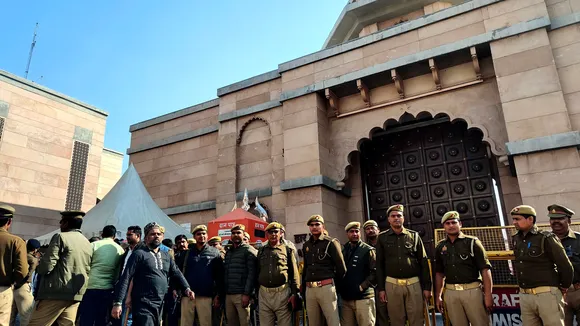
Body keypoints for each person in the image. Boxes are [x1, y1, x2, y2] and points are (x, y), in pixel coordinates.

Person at [111, 222, 194, 325]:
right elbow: (126, 277)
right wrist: (118, 302)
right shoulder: (139, 254)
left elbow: (176, 272)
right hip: (143, 303)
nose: (156, 236)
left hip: (160, 302)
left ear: (162, 236)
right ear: (146, 238)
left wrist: (186, 288)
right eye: (152, 234)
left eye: (158, 234)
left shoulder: (166, 256)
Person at [511, 204, 573, 326]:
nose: (514, 222)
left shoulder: (545, 238)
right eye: (513, 219)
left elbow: (565, 266)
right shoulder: (516, 239)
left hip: (546, 294)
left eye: (517, 219)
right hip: (525, 295)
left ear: (530, 219)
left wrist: (563, 287)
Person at [28, 211, 93, 326]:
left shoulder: (60, 237)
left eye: (61, 222)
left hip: (55, 291)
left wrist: (39, 268)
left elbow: (47, 266)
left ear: (66, 223)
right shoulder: (86, 242)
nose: (60, 225)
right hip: (76, 293)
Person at [376, 204, 432, 326]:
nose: (396, 218)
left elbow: (423, 262)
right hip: (392, 285)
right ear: (389, 219)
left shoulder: (414, 236)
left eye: (399, 215)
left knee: (417, 319)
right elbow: (379, 265)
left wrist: (427, 287)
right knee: (396, 320)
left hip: (413, 284)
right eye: (393, 216)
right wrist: (381, 289)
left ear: (403, 218)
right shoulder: (382, 238)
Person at [434, 211, 493, 326]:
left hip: (472, 291)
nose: (451, 225)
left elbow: (485, 270)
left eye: (454, 222)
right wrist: (438, 296)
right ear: (444, 227)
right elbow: (439, 274)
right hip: (451, 293)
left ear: (460, 224)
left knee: (481, 323)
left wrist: (488, 295)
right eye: (447, 223)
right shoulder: (440, 247)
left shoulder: (472, 242)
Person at [302, 214, 346, 326]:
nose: (314, 227)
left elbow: (341, 269)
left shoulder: (331, 242)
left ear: (323, 226)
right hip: (310, 289)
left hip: (326, 287)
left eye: (317, 224)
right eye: (311, 225)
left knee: (333, 322)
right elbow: (306, 268)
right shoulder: (306, 245)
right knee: (313, 323)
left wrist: (333, 284)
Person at [178, 225, 224, 326]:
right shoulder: (186, 253)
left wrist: (218, 295)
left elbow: (219, 276)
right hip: (187, 295)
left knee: (205, 323)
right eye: (198, 234)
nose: (201, 236)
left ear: (207, 236)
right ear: (194, 237)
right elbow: (178, 273)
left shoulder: (215, 252)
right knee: (185, 323)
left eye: (204, 234)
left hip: (205, 295)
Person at [79, 225, 125, 326]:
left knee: (86, 317)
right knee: (101, 318)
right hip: (107, 289)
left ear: (102, 234)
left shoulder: (93, 245)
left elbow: (85, 265)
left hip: (89, 287)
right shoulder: (120, 250)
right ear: (114, 236)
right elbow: (118, 273)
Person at [256, 222, 300, 326]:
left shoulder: (288, 250)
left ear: (281, 233)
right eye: (271, 232)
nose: (273, 234)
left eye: (276, 232)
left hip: (282, 293)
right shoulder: (261, 250)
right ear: (267, 234)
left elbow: (294, 273)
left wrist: (295, 293)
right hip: (264, 294)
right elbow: (257, 271)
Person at [548, 204, 580, 326]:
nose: (556, 222)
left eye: (560, 218)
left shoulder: (579, 239)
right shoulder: (544, 241)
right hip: (556, 294)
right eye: (552, 219)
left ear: (569, 220)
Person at [339, 222, 376, 326]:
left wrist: (362, 287)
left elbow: (375, 273)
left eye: (357, 231)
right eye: (352, 232)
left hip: (364, 298)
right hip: (346, 299)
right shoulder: (343, 249)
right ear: (347, 234)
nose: (355, 234)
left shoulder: (368, 250)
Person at [223, 224, 257, 326]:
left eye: (238, 233)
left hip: (241, 295)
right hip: (229, 295)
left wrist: (247, 294)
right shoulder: (229, 252)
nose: (235, 235)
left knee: (245, 323)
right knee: (232, 323)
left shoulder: (248, 250)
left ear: (243, 234)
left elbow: (252, 274)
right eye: (233, 233)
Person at [0, 204, 28, 326]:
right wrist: (13, 281)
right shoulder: (16, 241)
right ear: (9, 221)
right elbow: (22, 271)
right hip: (3, 288)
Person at [362, 219, 387, 325]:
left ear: (378, 230)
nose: (370, 230)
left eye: (372, 228)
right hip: (372, 285)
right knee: (374, 313)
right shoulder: (364, 248)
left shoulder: (386, 244)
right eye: (367, 229)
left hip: (387, 283)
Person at [11, 238, 40, 326]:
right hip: (23, 287)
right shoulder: (33, 259)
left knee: (10, 317)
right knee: (27, 318)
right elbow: (29, 274)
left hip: (12, 287)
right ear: (35, 249)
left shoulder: (18, 255)